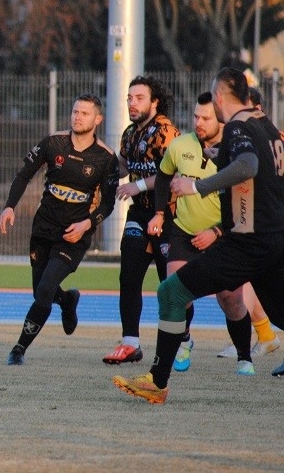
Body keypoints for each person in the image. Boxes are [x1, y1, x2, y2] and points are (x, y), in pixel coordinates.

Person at [114, 68, 284, 404]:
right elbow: (261, 170)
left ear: (219, 97)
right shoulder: (266, 125)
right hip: (275, 237)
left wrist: (197, 186)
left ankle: (157, 382)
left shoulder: (236, 126)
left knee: (171, 293)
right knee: (279, 312)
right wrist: (223, 161)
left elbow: (248, 166)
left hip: (246, 242)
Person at [0, 94, 120, 365]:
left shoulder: (105, 158)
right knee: (41, 292)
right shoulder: (53, 143)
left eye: (85, 113)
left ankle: (18, 349)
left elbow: (108, 204)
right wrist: (9, 207)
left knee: (44, 290)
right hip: (43, 228)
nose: (78, 117)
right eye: (75, 111)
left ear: (97, 119)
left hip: (73, 235)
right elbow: (24, 175)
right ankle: (67, 300)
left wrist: (87, 224)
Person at [147, 92, 252, 374]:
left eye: (205, 118)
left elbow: (245, 202)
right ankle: (183, 341)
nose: (198, 122)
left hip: (225, 237)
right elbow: (163, 177)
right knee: (176, 291)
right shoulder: (180, 145)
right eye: (195, 116)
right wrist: (159, 213)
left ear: (220, 119)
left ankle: (245, 357)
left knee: (230, 299)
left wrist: (216, 231)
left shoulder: (237, 152)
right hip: (184, 233)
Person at [103, 76, 179, 365]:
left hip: (167, 214)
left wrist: (138, 185)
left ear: (154, 102)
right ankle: (130, 343)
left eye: (139, 98)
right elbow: (124, 165)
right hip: (139, 213)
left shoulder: (166, 132)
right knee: (129, 277)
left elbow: (170, 173)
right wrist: (102, 171)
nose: (132, 103)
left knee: (169, 284)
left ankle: (183, 338)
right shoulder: (130, 133)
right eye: (129, 98)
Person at [214, 86, 281, 359]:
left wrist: (198, 187)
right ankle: (261, 338)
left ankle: (255, 340)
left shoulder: (260, 135)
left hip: (266, 230)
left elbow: (253, 170)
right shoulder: (267, 136)